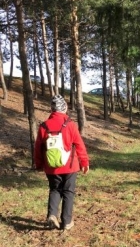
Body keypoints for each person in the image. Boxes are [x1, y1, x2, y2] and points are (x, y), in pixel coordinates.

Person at [34, 95, 89, 230]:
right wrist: (84, 162)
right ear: (64, 108)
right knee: (68, 192)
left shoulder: (43, 126)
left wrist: (39, 164)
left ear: (52, 109)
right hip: (70, 166)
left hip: (51, 167)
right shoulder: (70, 124)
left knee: (54, 190)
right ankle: (66, 221)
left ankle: (52, 215)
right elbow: (79, 144)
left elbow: (38, 148)